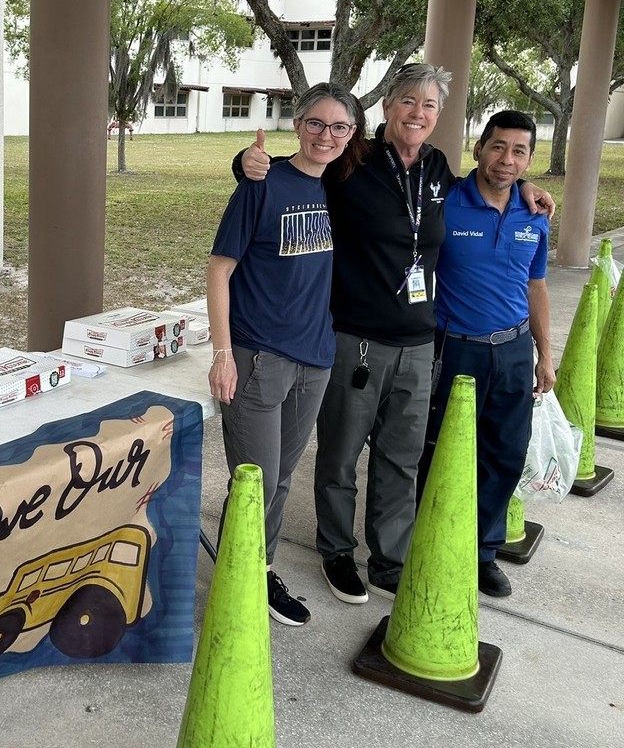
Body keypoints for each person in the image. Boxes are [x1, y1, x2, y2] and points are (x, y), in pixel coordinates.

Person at [234, 64, 554, 606]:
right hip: (354, 338)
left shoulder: (437, 168)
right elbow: (294, 168)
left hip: (420, 342)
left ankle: (389, 559)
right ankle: (336, 550)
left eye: (429, 106)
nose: (418, 114)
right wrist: (244, 164)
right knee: (339, 454)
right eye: (409, 101)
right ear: (387, 107)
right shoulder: (351, 159)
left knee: (400, 459)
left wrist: (524, 185)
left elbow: (487, 185)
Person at [208, 82, 368, 626]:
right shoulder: (261, 182)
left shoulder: (344, 188)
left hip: (316, 356)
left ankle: (249, 564)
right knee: (254, 478)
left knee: (278, 478)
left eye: (339, 127)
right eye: (317, 124)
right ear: (297, 125)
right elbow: (220, 269)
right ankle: (249, 575)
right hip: (260, 357)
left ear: (352, 136)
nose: (327, 135)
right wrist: (223, 352)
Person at [419, 110, 554, 598]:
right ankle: (430, 538)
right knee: (440, 452)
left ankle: (482, 551)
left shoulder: (534, 213)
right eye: (498, 147)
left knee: (505, 453)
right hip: (454, 350)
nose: (507, 159)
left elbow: (536, 285)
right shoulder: (446, 203)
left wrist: (545, 354)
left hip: (514, 350)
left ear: (529, 160)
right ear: (478, 148)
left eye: (519, 151)